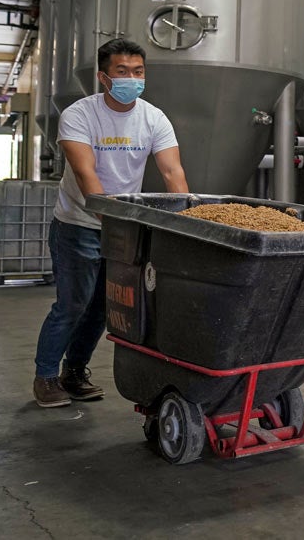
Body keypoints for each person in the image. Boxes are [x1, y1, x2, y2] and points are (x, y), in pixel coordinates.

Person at [33, 38, 188, 408]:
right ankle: (45, 376)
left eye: (138, 72)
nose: (131, 79)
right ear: (104, 77)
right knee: (73, 304)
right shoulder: (79, 116)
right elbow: (88, 179)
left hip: (123, 228)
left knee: (104, 307)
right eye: (122, 72)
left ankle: (74, 372)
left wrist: (187, 222)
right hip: (78, 224)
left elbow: (172, 171)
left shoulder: (154, 118)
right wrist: (114, 220)